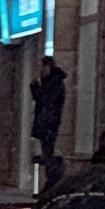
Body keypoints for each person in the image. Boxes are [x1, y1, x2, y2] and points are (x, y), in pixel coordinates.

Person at [32, 54, 68, 190]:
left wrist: (36, 84)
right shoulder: (52, 81)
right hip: (48, 123)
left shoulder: (52, 82)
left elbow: (45, 101)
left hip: (48, 124)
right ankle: (51, 182)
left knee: (48, 154)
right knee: (47, 153)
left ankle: (51, 182)